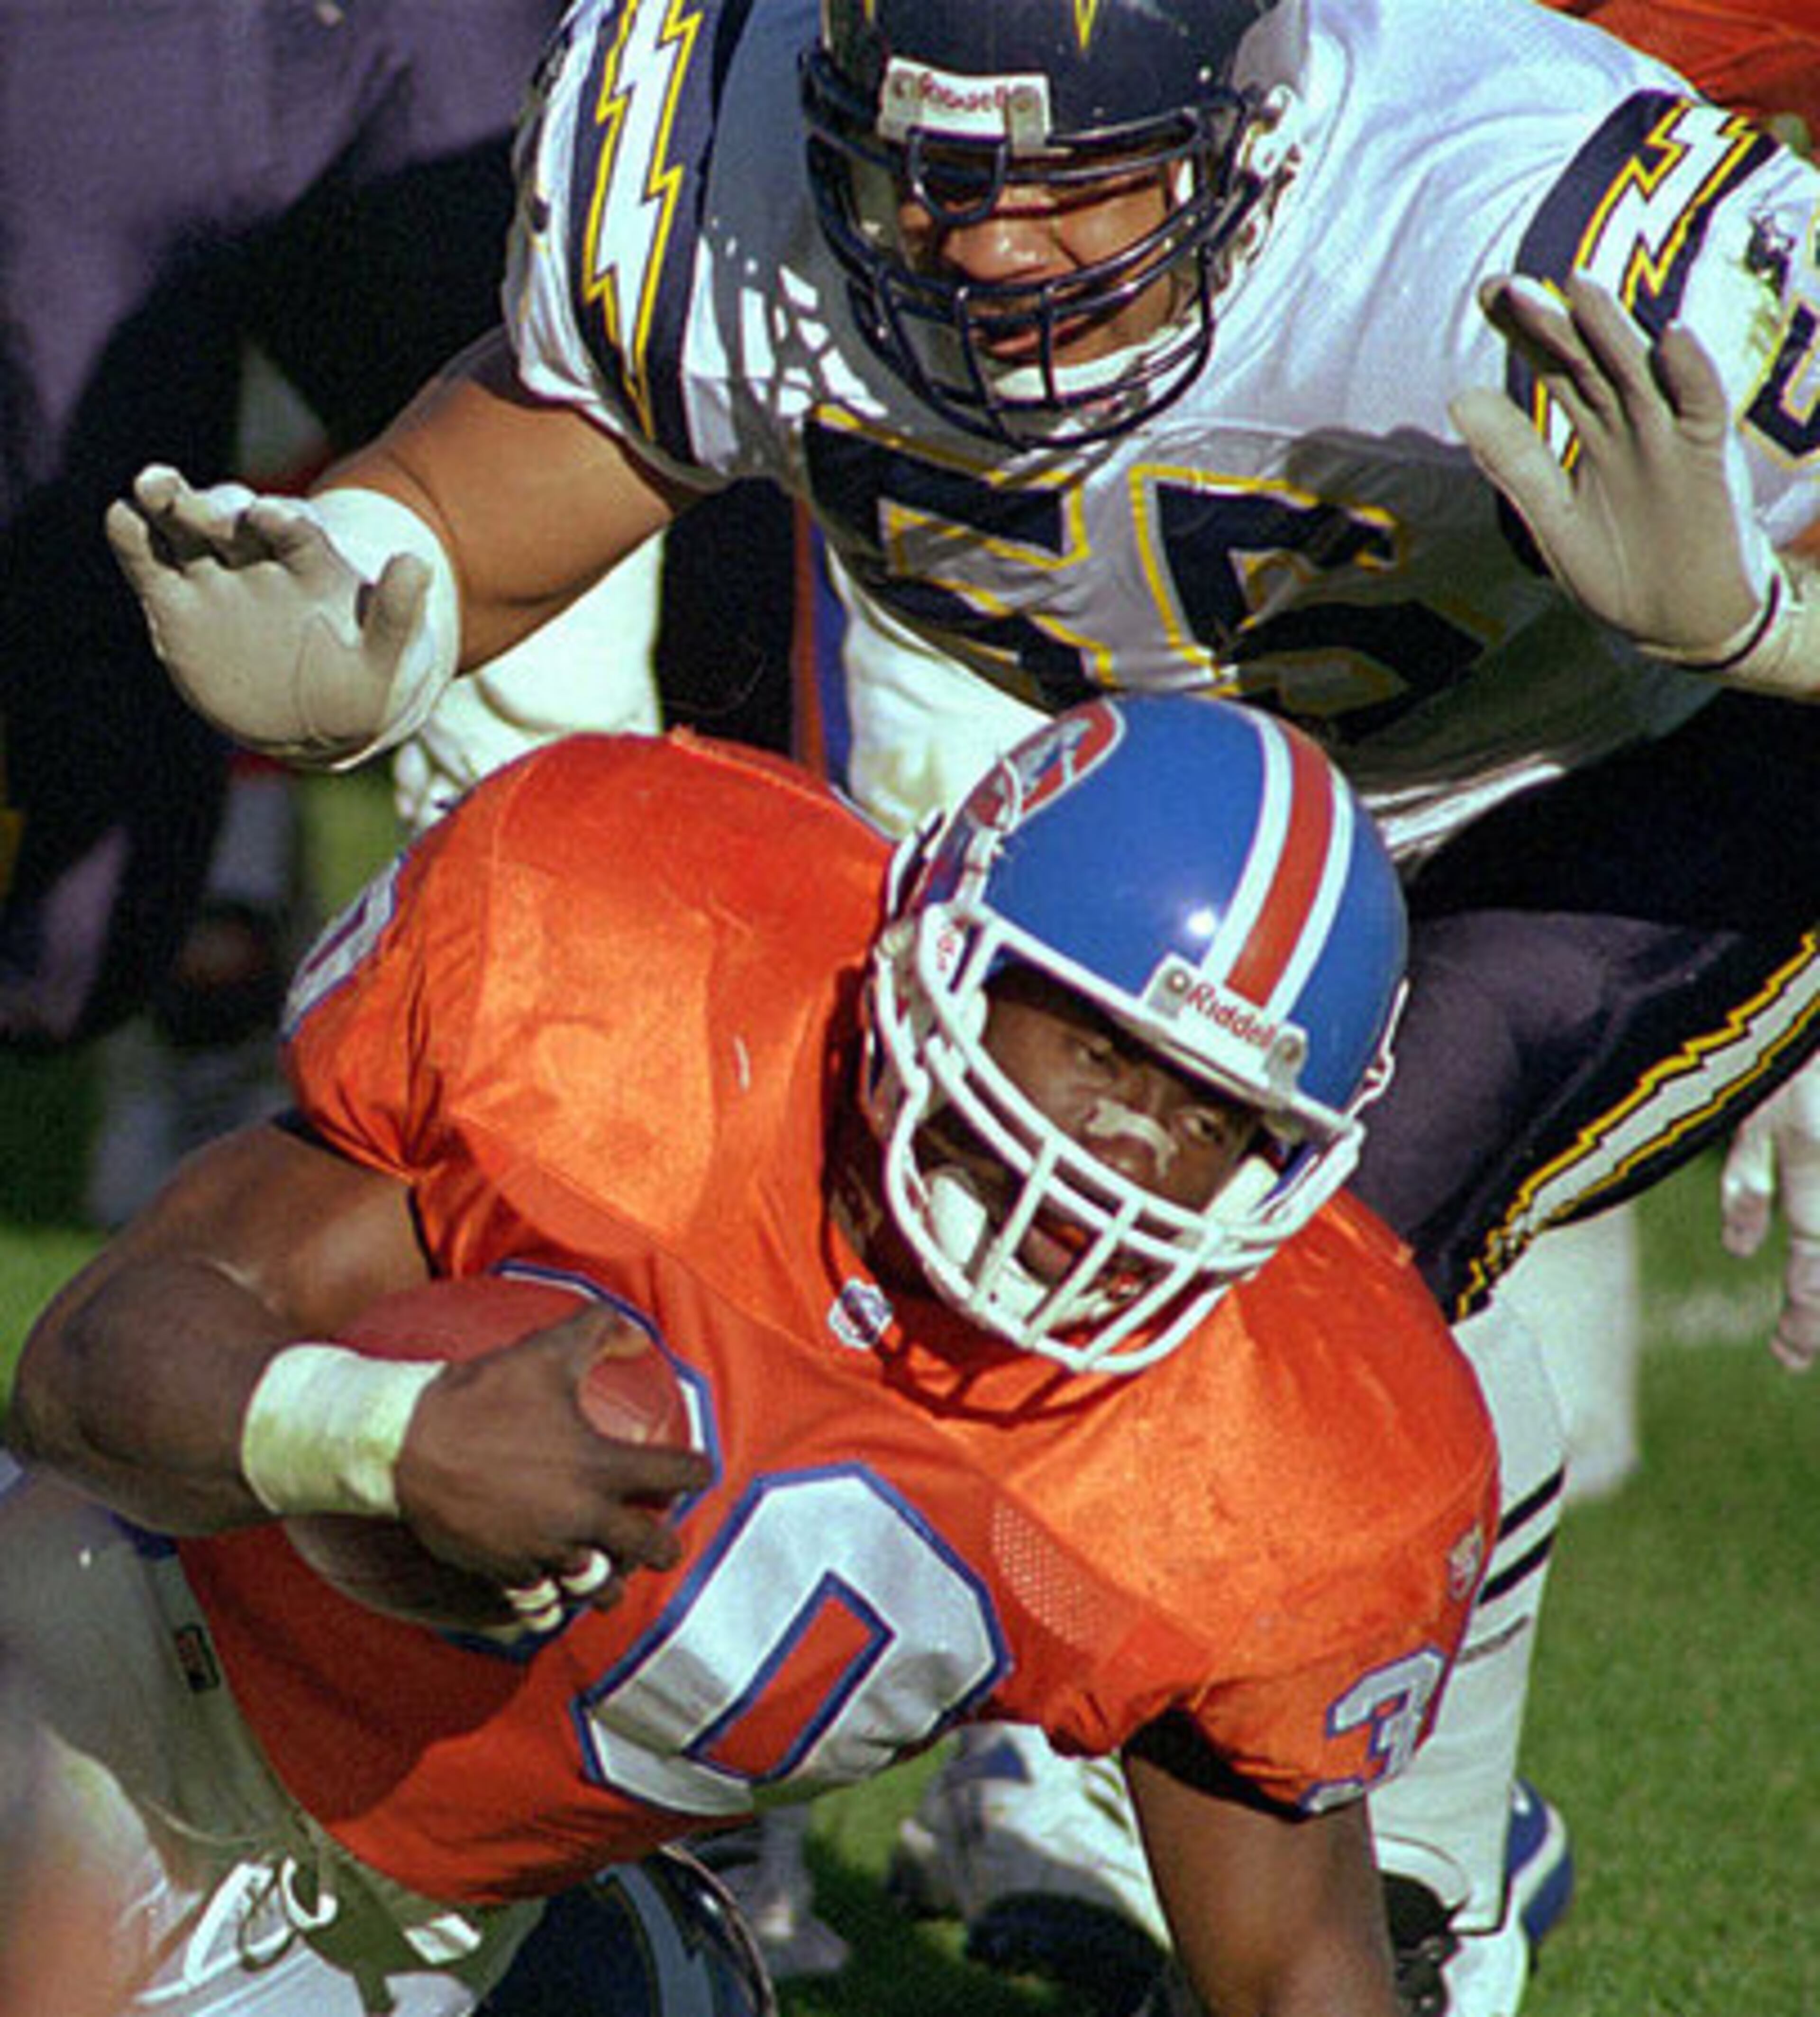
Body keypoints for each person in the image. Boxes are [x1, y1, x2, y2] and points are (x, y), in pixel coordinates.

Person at [100, 0, 1820, 2008]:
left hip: (1641, 775)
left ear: (1253, 122)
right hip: (1170, 812)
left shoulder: (1524, 207)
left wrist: (1758, 615)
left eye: (1078, 184)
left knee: (1293, 1280)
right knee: (847, 1196)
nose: (996, 250)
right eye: (931, 179)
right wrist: (373, 583)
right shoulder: (743, 135)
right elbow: (541, 469)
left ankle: (1412, 1899)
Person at [3, 694, 1497, 2017]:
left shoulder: (1261, 1449)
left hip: (416, 1928)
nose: (1126, 1153)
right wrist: (388, 1438)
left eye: (1212, 1117)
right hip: (101, 1666)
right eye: (1104, 1049)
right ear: (947, 954)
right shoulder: (645, 979)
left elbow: (1294, 1973)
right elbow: (84, 1363)